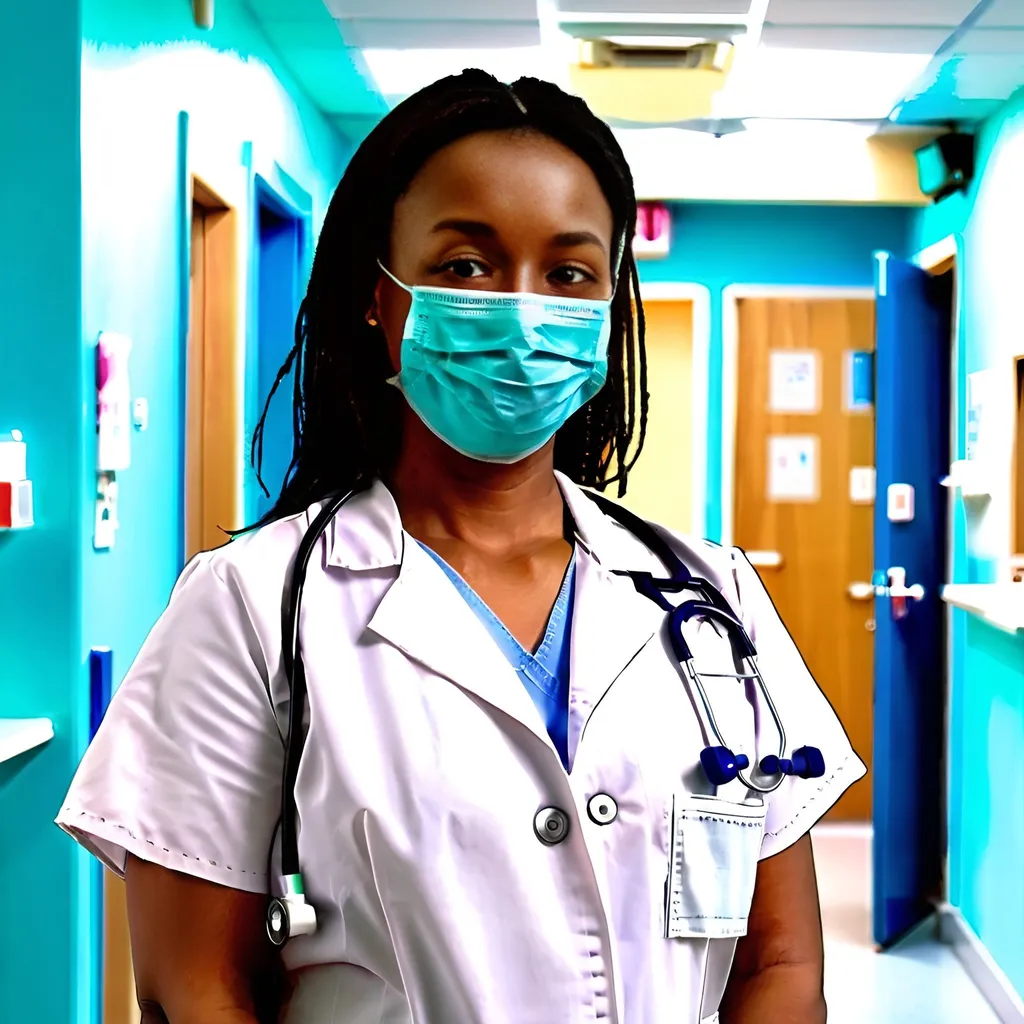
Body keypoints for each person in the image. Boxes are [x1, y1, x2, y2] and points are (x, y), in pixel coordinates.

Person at [58, 70, 864, 1024]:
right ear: (376, 295)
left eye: (569, 273)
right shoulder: (249, 606)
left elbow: (779, 965)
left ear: (608, 307)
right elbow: (195, 987)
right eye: (467, 266)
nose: (522, 312)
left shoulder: (710, 598)